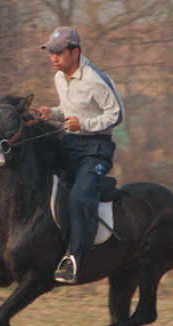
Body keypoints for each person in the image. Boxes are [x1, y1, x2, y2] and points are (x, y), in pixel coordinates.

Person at [37, 26, 125, 284]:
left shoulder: (95, 80)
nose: (54, 58)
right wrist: (52, 114)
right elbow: (69, 110)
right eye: (51, 53)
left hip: (95, 150)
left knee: (78, 199)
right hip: (71, 145)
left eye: (59, 53)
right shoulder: (59, 78)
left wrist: (84, 125)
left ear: (75, 52)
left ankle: (75, 258)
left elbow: (116, 115)